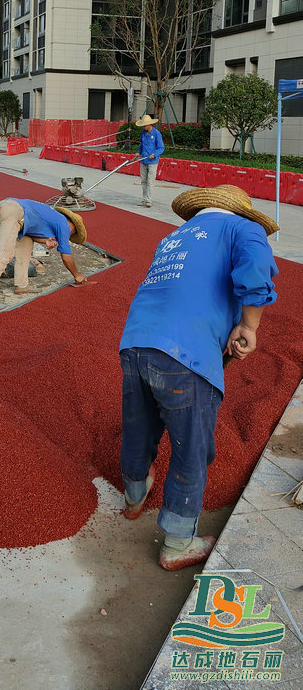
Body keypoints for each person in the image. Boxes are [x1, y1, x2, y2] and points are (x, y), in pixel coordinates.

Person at [118, 184, 278, 570]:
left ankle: (134, 497)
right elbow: (256, 269)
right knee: (192, 449)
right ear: (240, 212)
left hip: (135, 342)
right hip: (184, 353)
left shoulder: (173, 237)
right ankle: (177, 543)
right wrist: (248, 326)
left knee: (139, 427)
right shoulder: (244, 228)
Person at [0, 198, 88, 311]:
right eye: (72, 234)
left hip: (15, 213)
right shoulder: (65, 225)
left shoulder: (53, 217)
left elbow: (32, 233)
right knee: (4, 254)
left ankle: (21, 285)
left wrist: (45, 241)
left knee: (26, 247)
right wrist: (77, 275)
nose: (69, 237)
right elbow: (66, 257)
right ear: (73, 227)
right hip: (13, 210)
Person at [134, 113, 164, 208]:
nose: (143, 127)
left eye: (144, 125)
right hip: (143, 160)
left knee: (150, 181)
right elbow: (141, 144)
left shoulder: (156, 133)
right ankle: (144, 199)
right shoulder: (143, 133)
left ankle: (148, 200)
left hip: (152, 161)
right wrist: (138, 152)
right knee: (143, 181)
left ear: (149, 125)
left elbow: (161, 148)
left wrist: (154, 154)